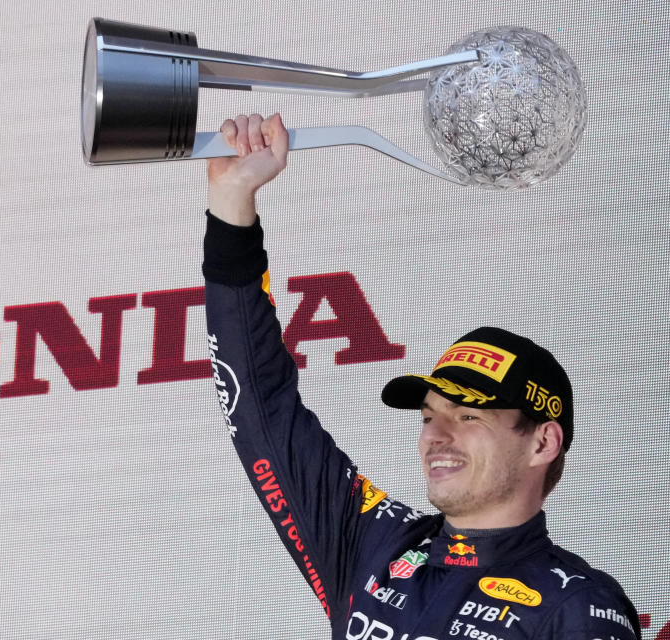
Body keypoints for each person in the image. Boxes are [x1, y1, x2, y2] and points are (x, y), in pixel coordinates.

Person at [202, 113, 641, 640]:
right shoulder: (372, 542)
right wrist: (232, 207)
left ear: (543, 441)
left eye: (467, 414)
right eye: (430, 414)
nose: (436, 435)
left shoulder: (578, 608)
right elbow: (261, 410)